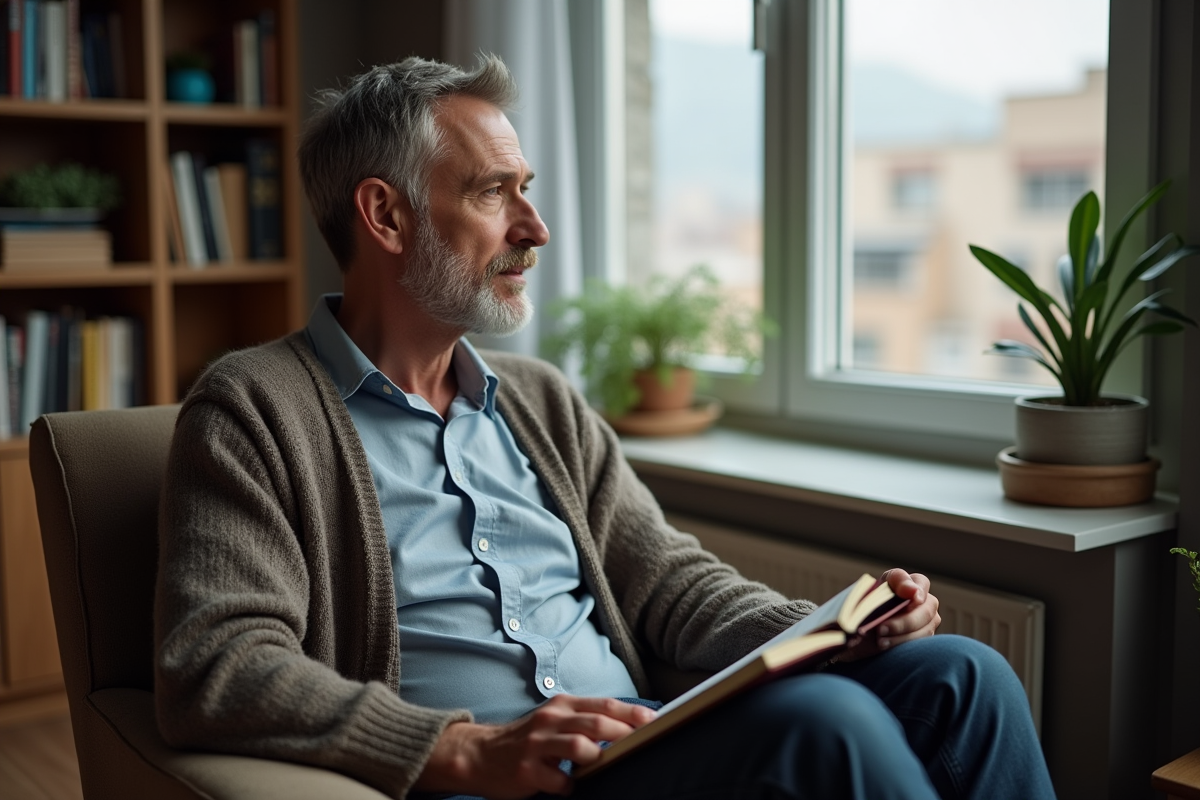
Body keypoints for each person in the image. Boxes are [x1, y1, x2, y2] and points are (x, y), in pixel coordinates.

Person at [153, 55, 1055, 800]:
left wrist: (825, 630)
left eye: (528, 190)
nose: (534, 228)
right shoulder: (255, 407)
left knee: (964, 676)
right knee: (830, 727)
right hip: (504, 781)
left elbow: (665, 582)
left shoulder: (539, 398)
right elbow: (218, 662)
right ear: (386, 216)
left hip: (640, 748)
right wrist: (464, 749)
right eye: (493, 193)